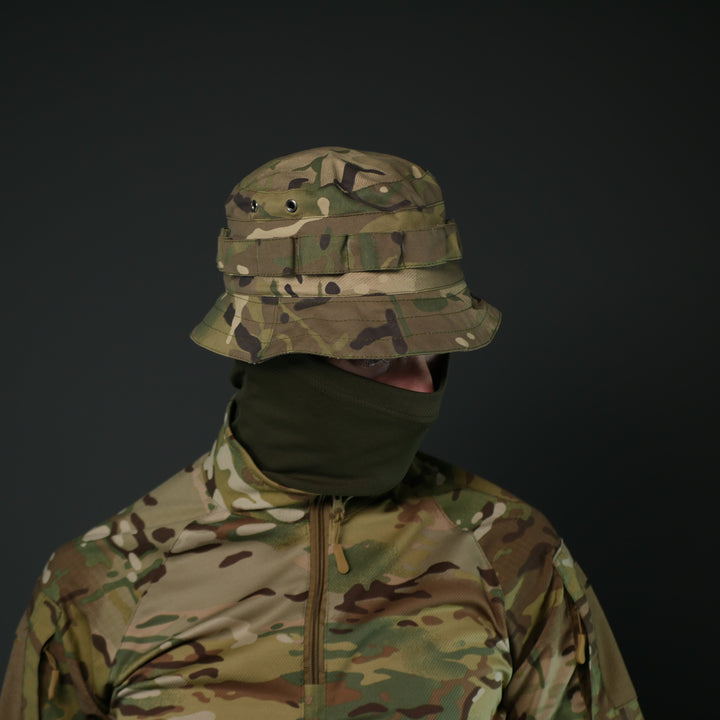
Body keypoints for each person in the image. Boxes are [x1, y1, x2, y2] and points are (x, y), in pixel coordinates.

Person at [0, 147, 644, 719]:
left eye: (433, 352)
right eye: (376, 358)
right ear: (272, 355)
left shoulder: (510, 551)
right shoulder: (105, 578)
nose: (421, 386)